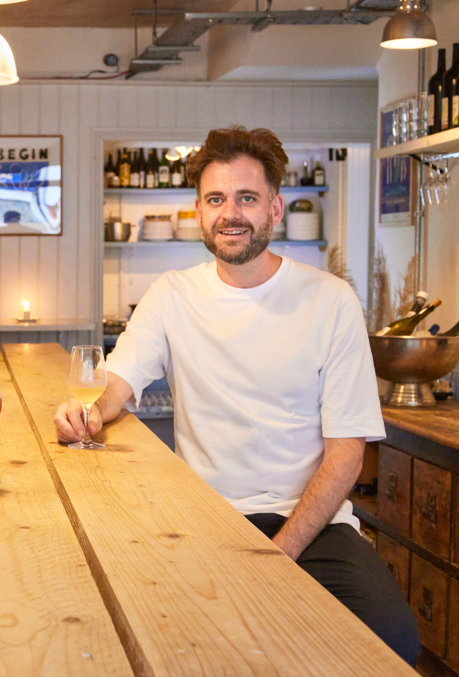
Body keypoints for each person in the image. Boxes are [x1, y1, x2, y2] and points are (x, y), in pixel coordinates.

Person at [54, 127, 421, 665]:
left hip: (313, 524)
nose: (232, 213)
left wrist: (279, 554)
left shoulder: (329, 301)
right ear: (199, 212)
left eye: (247, 198)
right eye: (217, 199)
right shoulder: (172, 296)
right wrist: (85, 412)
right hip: (203, 519)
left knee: (392, 640)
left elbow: (347, 454)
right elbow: (119, 382)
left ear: (274, 208)